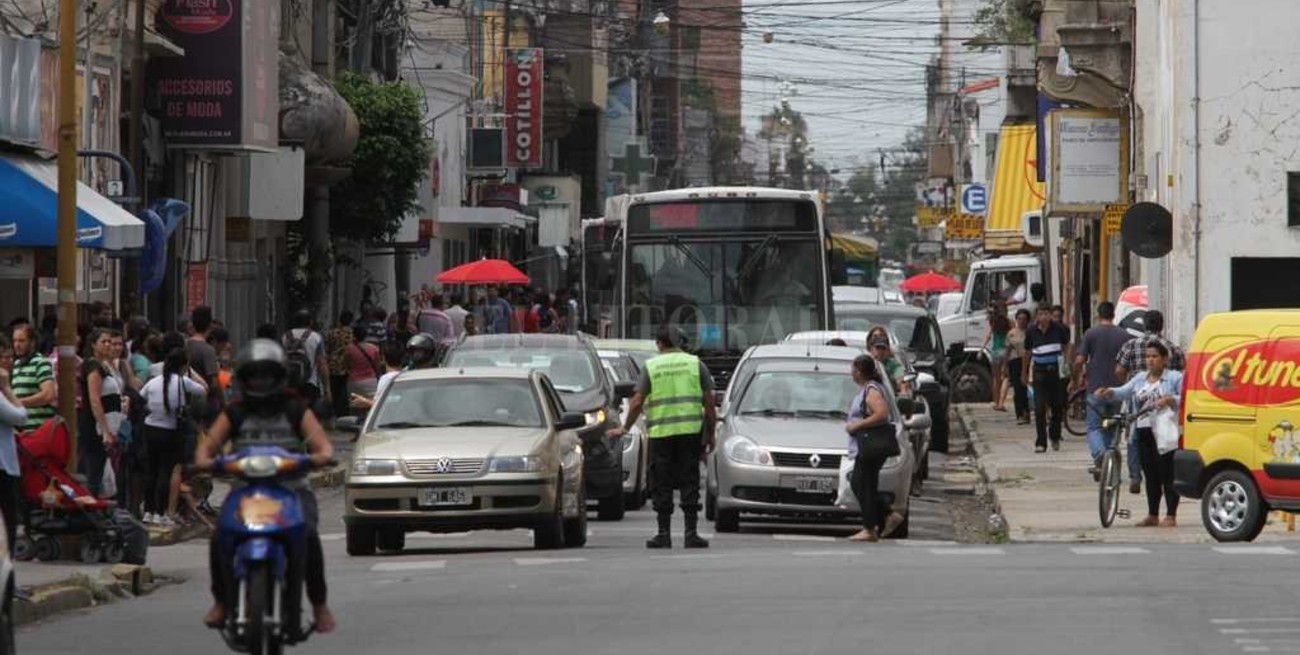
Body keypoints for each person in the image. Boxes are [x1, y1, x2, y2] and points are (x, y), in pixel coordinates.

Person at [198, 339, 336, 634]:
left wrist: (319, 457)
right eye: (255, 376)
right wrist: (209, 463)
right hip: (246, 488)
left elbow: (322, 445)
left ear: (280, 377)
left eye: (267, 376)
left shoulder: (295, 409)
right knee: (220, 536)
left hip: (291, 488)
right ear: (244, 379)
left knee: (308, 536)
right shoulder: (234, 412)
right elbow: (206, 450)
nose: (261, 382)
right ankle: (221, 601)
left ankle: (319, 605)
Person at [608, 326, 716, 549]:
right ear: (681, 342)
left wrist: (625, 428)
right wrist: (711, 434)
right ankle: (691, 533)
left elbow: (636, 402)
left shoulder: (652, 366)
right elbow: (709, 404)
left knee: (661, 482)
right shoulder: (696, 365)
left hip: (661, 434)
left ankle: (663, 534)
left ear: (659, 344)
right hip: (690, 432)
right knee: (690, 480)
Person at [1097, 342, 1183, 527]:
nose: (1150, 360)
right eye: (1148, 356)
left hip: (1166, 431)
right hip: (1144, 430)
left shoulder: (1174, 378)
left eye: (1155, 356)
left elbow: (1186, 397)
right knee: (1150, 473)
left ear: (1164, 359)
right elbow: (1124, 391)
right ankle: (1152, 514)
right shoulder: (1140, 379)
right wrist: (1109, 392)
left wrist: (1171, 399)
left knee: (1168, 473)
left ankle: (1171, 515)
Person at [1114, 309, 1185, 494]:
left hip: (1137, 397)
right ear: (1162, 326)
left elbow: (1119, 370)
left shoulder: (1131, 345)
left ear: (1144, 325)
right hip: (1163, 402)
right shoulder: (1171, 347)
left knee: (1134, 436)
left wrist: (1128, 385)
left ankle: (1135, 476)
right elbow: (1182, 372)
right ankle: (1160, 474)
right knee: (1161, 438)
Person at [141, 347, 207, 526]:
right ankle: (160, 513)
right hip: (170, 431)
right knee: (166, 471)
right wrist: (190, 372)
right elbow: (203, 389)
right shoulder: (183, 381)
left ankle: (148, 511)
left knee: (152, 471)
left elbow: (141, 397)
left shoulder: (154, 381)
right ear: (183, 365)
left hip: (150, 428)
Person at [844, 354, 904, 542]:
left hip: (871, 445)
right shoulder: (867, 388)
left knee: (861, 483)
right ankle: (885, 516)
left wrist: (857, 425)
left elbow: (882, 414)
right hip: (865, 446)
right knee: (862, 484)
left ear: (859, 371)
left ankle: (871, 527)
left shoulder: (872, 389)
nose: (851, 373)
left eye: (853, 369)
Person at [1074, 301, 1136, 472]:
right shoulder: (1125, 336)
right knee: (1112, 426)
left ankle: (1100, 455)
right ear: (1113, 315)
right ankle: (1110, 461)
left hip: (1096, 387)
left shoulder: (1091, 334)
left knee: (1094, 426)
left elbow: (1079, 360)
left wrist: (1075, 377)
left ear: (1098, 314)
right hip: (1117, 390)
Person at [79, 329, 124, 496]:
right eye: (103, 342)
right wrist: (105, 430)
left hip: (108, 423)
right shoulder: (93, 367)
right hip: (95, 427)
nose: (107, 345)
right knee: (94, 471)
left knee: (99, 468)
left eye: (109, 342)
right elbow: (95, 400)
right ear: (93, 345)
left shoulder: (104, 366)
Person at [1023, 305, 1071, 453]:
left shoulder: (1059, 329)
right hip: (1039, 371)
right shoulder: (1031, 331)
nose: (1043, 317)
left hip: (1056, 372)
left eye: (1045, 314)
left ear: (1050, 315)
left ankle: (1055, 436)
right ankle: (1041, 442)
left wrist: (1065, 366)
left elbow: (1066, 347)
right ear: (1036, 316)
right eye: (1040, 314)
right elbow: (1027, 352)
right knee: (1039, 408)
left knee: (1057, 406)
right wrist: (1024, 372)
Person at [0, 337, 27, 546]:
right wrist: (7, 388)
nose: (8, 362)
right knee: (7, 519)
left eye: (10, 357)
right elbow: (20, 416)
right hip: (3, 465)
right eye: (3, 357)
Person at [283, 310, 331, 414]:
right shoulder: (316, 337)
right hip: (310, 383)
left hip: (290, 383)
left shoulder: (286, 336)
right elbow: (322, 363)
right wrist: (327, 389)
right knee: (310, 415)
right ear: (310, 322)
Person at [12, 324, 55, 431]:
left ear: (32, 342)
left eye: (21, 341)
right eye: (15, 341)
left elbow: (48, 395)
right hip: (21, 430)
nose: (17, 345)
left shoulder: (40, 363)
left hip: (39, 429)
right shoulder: (16, 364)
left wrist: (19, 402)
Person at [185, 306, 223, 420]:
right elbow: (213, 383)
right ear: (210, 325)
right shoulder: (208, 350)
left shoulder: (184, 345)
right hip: (204, 405)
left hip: (185, 399)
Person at [351, 342, 405, 413]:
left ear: (383, 358)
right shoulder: (408, 375)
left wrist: (365, 401)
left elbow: (384, 405)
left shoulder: (386, 379)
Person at [1003, 309, 1032, 425]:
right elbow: (1007, 350)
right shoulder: (1011, 333)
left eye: (1024, 319)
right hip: (1015, 362)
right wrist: (1005, 366)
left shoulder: (1031, 332)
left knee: (1028, 388)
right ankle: (1020, 413)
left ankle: (1028, 412)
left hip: (1029, 361)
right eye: (1019, 319)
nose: (1022, 321)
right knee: (1018, 388)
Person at [326, 311, 356, 419]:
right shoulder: (353, 334)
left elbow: (328, 349)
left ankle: (335, 412)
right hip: (347, 366)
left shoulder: (332, 333)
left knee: (335, 390)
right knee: (345, 391)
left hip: (333, 365)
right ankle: (344, 412)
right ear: (351, 321)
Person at [983, 301, 1011, 412]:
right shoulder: (1009, 322)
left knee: (996, 378)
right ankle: (1001, 403)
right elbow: (1012, 336)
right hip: (1005, 351)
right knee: (1006, 377)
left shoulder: (993, 322)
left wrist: (981, 349)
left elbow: (988, 336)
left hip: (995, 351)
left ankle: (995, 402)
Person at [345, 323, 384, 401]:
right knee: (372, 403)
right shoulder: (374, 348)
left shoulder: (349, 349)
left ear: (354, 335)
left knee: (355, 404)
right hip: (371, 381)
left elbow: (347, 365)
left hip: (354, 381)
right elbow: (378, 366)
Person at [866, 328, 909, 395]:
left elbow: (901, 378)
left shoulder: (893, 364)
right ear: (871, 348)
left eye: (883, 348)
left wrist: (903, 391)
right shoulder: (865, 363)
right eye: (878, 347)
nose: (880, 351)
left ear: (887, 349)